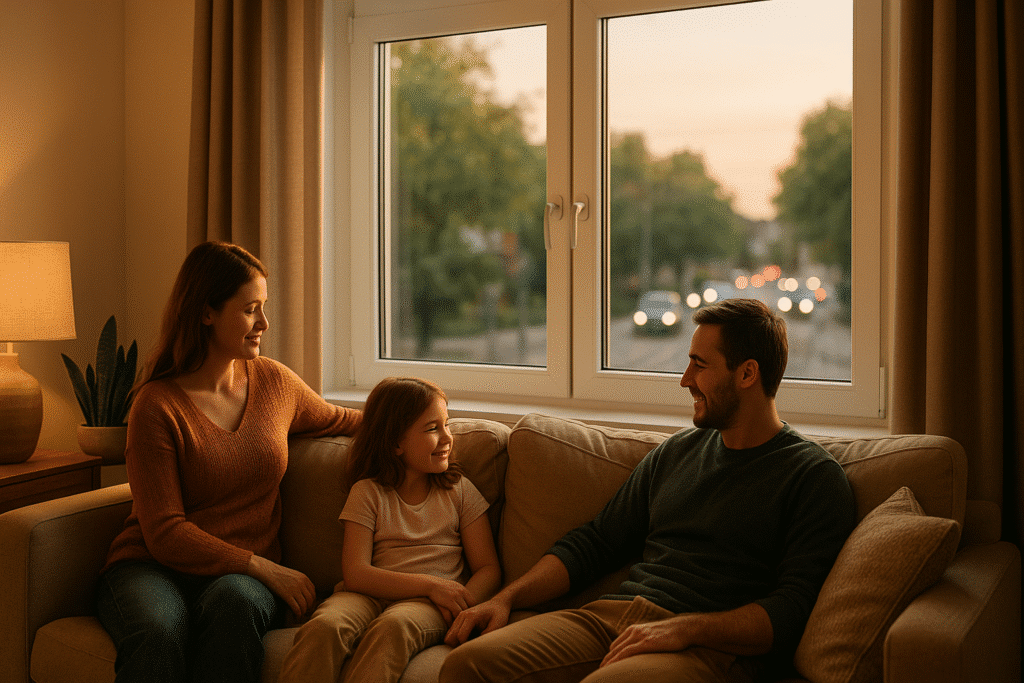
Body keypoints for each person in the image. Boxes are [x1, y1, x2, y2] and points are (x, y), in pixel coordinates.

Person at [441, 298, 856, 683]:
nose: (684, 380)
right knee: (465, 665)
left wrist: (684, 628)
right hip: (615, 616)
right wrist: (505, 599)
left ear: (747, 373)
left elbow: (792, 611)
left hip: (707, 645)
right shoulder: (678, 451)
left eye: (699, 365)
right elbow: (596, 542)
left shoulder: (812, 477)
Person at [95, 241, 362, 683]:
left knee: (235, 605)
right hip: (151, 567)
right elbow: (164, 533)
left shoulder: (275, 383)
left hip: (237, 584)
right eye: (250, 309)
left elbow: (347, 420)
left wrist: (429, 419)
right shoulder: (156, 407)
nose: (265, 323)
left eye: (264, 307)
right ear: (206, 314)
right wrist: (262, 566)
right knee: (159, 633)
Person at [277, 376, 501, 683]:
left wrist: (462, 606)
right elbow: (356, 573)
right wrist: (429, 584)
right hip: (370, 593)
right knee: (324, 626)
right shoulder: (367, 493)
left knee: (393, 627)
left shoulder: (460, 491)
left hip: (427, 606)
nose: (448, 437)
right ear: (395, 442)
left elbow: (488, 568)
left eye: (446, 424)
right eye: (433, 428)